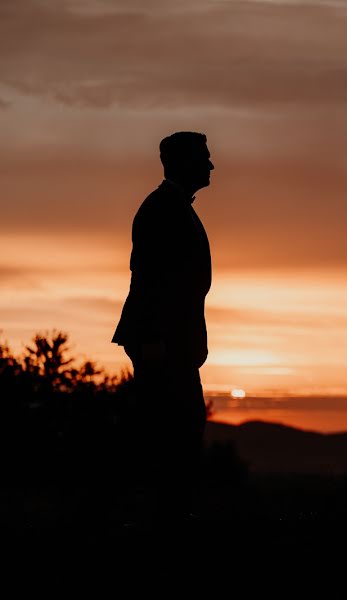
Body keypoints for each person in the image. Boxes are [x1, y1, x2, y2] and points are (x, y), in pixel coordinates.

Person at [112, 131, 214, 520]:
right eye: (203, 157)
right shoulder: (161, 209)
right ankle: (165, 527)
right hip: (163, 346)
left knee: (180, 436)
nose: (211, 165)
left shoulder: (173, 207)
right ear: (182, 162)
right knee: (173, 438)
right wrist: (154, 340)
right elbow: (149, 278)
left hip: (172, 344)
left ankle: (168, 520)